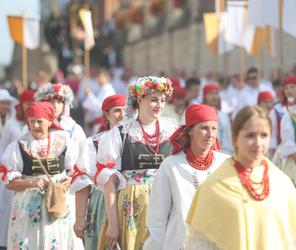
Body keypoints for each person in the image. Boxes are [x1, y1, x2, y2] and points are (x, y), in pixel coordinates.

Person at [185, 106, 296, 250]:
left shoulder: (281, 183)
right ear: (235, 138)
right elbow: (200, 242)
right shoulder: (214, 186)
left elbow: (294, 238)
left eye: (264, 135)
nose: (258, 144)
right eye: (250, 136)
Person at [95, 76, 177, 250]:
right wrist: (113, 224)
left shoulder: (172, 131)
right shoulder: (122, 133)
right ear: (140, 99)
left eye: (162, 100)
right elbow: (110, 182)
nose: (159, 105)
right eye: (153, 100)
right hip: (132, 207)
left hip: (165, 203)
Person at [144, 104, 230, 250]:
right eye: (204, 128)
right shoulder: (171, 165)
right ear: (189, 130)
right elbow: (157, 218)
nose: (210, 134)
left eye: (214, 128)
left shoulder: (226, 163)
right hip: (182, 243)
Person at [0, 102, 84, 249]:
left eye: (40, 121)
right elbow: (9, 183)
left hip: (58, 203)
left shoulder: (65, 143)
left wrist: (68, 181)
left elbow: (78, 174)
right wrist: (30, 183)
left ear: (50, 121)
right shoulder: (19, 147)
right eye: (32, 121)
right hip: (28, 208)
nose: (36, 125)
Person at [71, 94, 126, 250]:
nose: (122, 115)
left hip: (129, 202)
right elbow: (83, 182)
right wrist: (80, 218)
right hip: (101, 204)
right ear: (107, 116)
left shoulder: (136, 141)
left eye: (125, 111)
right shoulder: (92, 144)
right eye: (116, 111)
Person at [0, 90, 34, 250]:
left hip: (29, 172)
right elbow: (3, 147)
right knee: (8, 207)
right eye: (27, 104)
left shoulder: (36, 122)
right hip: (12, 170)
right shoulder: (11, 124)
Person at [203, 83, 233, 154]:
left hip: (223, 154)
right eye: (211, 93)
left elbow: (228, 138)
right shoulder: (200, 114)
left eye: (216, 93)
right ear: (205, 96)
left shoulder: (223, 115)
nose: (214, 96)